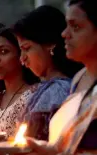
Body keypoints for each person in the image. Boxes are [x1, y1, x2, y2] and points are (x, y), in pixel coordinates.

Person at [12, 1, 97, 155]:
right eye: (66, 26)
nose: (65, 34)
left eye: (76, 26)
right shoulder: (79, 79)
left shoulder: (60, 87)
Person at [13, 5, 83, 141]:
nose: (22, 58)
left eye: (26, 48)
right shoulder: (44, 88)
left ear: (50, 44)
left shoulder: (58, 90)